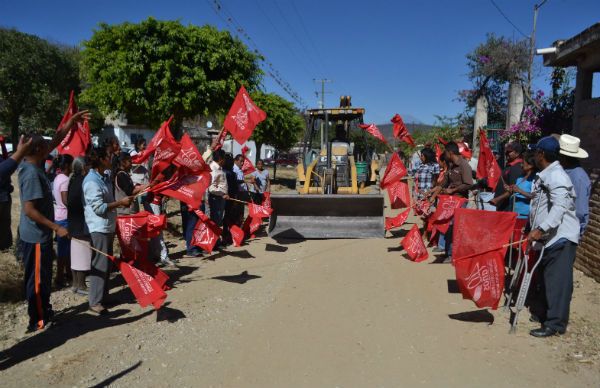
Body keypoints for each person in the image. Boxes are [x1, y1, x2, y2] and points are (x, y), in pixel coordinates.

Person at [18, 111, 87, 332]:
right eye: (44, 145)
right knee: (37, 280)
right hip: (36, 237)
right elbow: (29, 210)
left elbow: (57, 139)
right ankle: (38, 319)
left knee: (44, 277)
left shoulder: (35, 164)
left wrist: (70, 123)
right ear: (37, 150)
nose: (50, 147)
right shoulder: (30, 173)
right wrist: (56, 227)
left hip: (42, 236)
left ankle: (44, 310)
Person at [527, 136, 580, 338]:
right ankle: (544, 313)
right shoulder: (547, 174)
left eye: (535, 152)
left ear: (541, 154)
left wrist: (541, 228)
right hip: (549, 238)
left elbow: (559, 207)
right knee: (547, 278)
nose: (533, 155)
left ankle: (555, 324)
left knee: (558, 282)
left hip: (560, 237)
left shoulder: (557, 176)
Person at [83, 147, 133, 315]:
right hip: (98, 228)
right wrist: (120, 203)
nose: (112, 159)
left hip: (107, 226)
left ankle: (104, 297)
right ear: (102, 159)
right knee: (100, 264)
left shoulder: (103, 178)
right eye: (109, 156)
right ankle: (95, 302)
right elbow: (98, 208)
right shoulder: (91, 181)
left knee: (107, 265)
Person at [429, 142, 473, 262]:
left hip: (460, 201)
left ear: (450, 153)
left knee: (455, 227)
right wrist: (433, 194)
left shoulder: (464, 166)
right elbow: (444, 182)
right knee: (447, 226)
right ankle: (448, 252)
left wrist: (453, 190)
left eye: (446, 152)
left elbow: (469, 184)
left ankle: (453, 255)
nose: (444, 154)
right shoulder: (450, 164)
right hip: (449, 201)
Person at [0, 135, 32, 250]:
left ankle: (5, 246)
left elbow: (6, 163)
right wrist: (21, 152)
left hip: (4, 196)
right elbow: (6, 168)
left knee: (5, 223)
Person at [558, 134, 591, 237]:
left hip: (568, 232)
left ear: (564, 157)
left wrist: (576, 233)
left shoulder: (578, 177)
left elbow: (580, 210)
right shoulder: (564, 171)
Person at [68, 157, 92, 295]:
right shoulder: (83, 181)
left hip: (73, 221)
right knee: (83, 253)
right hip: (81, 222)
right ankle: (81, 285)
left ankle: (76, 284)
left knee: (76, 253)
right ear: (83, 168)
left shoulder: (72, 180)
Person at [52, 154, 74, 288]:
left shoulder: (57, 178)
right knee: (65, 251)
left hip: (58, 216)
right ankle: (60, 277)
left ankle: (66, 274)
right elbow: (66, 200)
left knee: (63, 249)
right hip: (65, 217)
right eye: (71, 164)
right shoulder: (65, 179)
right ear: (67, 166)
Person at [490, 141, 524, 211]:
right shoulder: (510, 165)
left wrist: (497, 199)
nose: (506, 154)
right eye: (505, 152)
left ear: (517, 153)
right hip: (501, 206)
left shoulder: (516, 168)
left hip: (507, 207)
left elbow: (513, 190)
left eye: (509, 152)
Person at [509, 152, 537, 219]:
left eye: (523, 163)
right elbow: (516, 192)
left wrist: (520, 191)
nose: (521, 165)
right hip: (514, 214)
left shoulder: (535, 179)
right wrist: (511, 189)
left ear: (530, 165)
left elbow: (535, 196)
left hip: (525, 216)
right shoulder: (520, 178)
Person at [208, 149, 229, 227]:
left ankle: (217, 238)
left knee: (218, 220)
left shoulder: (219, 168)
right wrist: (222, 193)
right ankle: (215, 238)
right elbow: (211, 187)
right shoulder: (213, 168)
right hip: (216, 198)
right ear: (220, 159)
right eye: (224, 158)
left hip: (220, 198)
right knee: (215, 221)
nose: (225, 161)